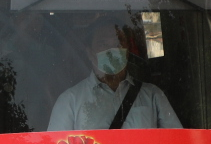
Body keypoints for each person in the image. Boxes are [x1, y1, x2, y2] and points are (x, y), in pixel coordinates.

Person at [47, 19, 182, 132]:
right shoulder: (70, 101)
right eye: (103, 44)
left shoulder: (153, 95)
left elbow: (177, 143)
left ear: (127, 50)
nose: (112, 50)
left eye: (118, 43)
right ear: (89, 52)